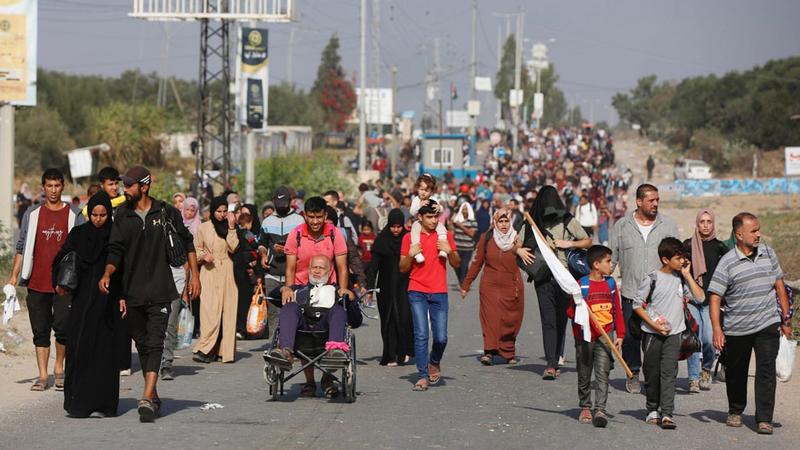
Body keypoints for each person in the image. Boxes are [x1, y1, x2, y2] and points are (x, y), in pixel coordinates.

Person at [99, 166, 200, 423]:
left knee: (156, 341)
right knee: (142, 344)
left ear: (144, 186)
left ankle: (145, 396)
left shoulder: (165, 211)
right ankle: (153, 395)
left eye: (130, 185)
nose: (125, 189)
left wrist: (195, 277)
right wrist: (108, 273)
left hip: (160, 289)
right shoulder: (122, 215)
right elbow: (115, 250)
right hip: (132, 292)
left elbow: (187, 242)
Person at [708, 212, 792, 435]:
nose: (758, 234)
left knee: (766, 371)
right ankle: (735, 410)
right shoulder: (727, 262)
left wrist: (786, 318)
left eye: (758, 229)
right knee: (736, 371)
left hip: (767, 323)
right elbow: (715, 297)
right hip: (737, 327)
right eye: (753, 231)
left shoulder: (768, 253)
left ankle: (764, 418)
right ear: (739, 234)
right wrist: (717, 328)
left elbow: (779, 285)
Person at [8, 169, 85, 391]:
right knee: (40, 330)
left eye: (57, 186)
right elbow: (21, 247)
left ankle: (59, 369)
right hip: (36, 282)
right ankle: (42, 375)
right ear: (43, 187)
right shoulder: (31, 214)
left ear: (63, 187)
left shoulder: (74, 215)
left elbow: (82, 248)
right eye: (49, 186)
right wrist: (14, 275)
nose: (53, 190)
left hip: (64, 284)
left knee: (62, 327)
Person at [53, 192, 120, 418]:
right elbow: (61, 258)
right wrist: (59, 282)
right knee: (80, 348)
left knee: (103, 353)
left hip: (106, 303)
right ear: (88, 213)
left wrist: (122, 297)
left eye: (103, 215)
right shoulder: (78, 234)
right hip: (81, 302)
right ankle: (78, 403)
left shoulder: (114, 236)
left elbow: (123, 266)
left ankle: (103, 404)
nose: (98, 219)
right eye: (94, 214)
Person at [609, 184, 678, 394]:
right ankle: (633, 374)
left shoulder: (668, 225)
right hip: (630, 293)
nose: (655, 204)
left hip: (659, 299)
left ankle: (653, 378)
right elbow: (610, 261)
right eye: (651, 200)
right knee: (631, 338)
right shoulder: (621, 227)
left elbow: (678, 259)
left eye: (657, 200)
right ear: (638, 201)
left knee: (655, 339)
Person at [280, 196, 352, 397]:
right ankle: (299, 369)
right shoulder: (295, 235)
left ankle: (330, 371)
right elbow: (291, 267)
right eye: (310, 217)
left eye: (318, 217)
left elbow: (342, 266)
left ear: (325, 216)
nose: (314, 221)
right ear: (305, 215)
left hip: (328, 290)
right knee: (297, 321)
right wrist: (288, 288)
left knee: (336, 315)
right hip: (302, 289)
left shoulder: (334, 234)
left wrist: (343, 290)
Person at [520, 185, 591, 380]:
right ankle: (551, 363)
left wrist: (569, 243)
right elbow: (516, 244)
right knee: (548, 320)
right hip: (542, 277)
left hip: (565, 278)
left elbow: (587, 241)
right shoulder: (532, 223)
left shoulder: (568, 221)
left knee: (561, 319)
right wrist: (518, 251)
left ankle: (556, 355)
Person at [633, 237, 704, 430]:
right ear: (665, 259)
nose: (682, 261)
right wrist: (655, 326)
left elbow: (700, 297)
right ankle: (652, 410)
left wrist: (688, 275)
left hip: (675, 334)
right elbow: (637, 305)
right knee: (652, 373)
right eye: (678, 258)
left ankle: (667, 414)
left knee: (669, 373)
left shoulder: (681, 279)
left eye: (683, 257)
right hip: (652, 334)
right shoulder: (652, 278)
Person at [399, 199, 461, 391]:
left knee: (441, 337)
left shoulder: (445, 236)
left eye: (436, 216)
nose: (434, 220)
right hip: (417, 290)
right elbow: (402, 268)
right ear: (420, 217)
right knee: (421, 334)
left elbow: (457, 264)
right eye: (429, 217)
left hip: (439, 291)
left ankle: (434, 360)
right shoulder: (409, 238)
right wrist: (410, 255)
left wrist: (450, 252)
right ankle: (423, 375)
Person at [269, 255, 351, 398]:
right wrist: (284, 289)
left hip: (326, 334)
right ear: (308, 270)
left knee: (338, 309)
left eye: (321, 268)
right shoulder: (298, 289)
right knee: (289, 307)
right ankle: (285, 352)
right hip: (301, 335)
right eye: (314, 267)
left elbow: (355, 320)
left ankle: (335, 355)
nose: (317, 271)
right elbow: (272, 295)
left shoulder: (337, 291)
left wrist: (350, 299)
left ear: (330, 271)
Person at [567, 245, 625, 428]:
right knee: (584, 372)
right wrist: (579, 308)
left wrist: (620, 334)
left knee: (603, 372)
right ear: (596, 264)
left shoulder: (610, 284)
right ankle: (585, 406)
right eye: (608, 261)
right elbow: (570, 311)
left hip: (606, 334)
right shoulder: (581, 285)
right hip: (585, 338)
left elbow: (617, 309)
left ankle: (600, 408)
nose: (611, 265)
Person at [460, 209, 524, 365]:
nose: (503, 225)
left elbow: (529, 259)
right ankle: (489, 351)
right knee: (490, 318)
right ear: (495, 222)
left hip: (512, 285)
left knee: (511, 319)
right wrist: (466, 284)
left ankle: (508, 352)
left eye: (506, 221)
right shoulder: (487, 238)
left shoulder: (518, 240)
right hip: (490, 285)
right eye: (500, 221)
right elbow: (477, 263)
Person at [682, 209, 728, 393]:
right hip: (691, 299)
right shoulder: (687, 245)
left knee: (709, 339)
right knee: (695, 338)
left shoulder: (720, 247)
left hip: (712, 301)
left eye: (709, 221)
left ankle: (706, 368)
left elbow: (728, 272)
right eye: (702, 221)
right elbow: (679, 270)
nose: (706, 225)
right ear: (697, 223)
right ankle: (693, 377)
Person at [193, 197, 240, 363]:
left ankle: (223, 351)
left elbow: (233, 247)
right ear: (212, 212)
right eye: (218, 211)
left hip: (228, 271)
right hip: (209, 272)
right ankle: (205, 348)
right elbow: (195, 249)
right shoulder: (203, 228)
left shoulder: (230, 227)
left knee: (228, 312)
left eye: (224, 211)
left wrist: (232, 227)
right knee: (209, 312)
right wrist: (203, 256)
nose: (221, 215)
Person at [367, 209, 414, 366]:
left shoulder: (409, 240)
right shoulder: (381, 241)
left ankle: (404, 351)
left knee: (405, 317)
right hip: (385, 288)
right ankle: (390, 355)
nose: (395, 230)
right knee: (388, 320)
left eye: (399, 226)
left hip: (405, 286)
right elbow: (373, 267)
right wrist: (369, 287)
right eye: (393, 226)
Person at [258, 186, 305, 331]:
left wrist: (287, 250)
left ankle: (289, 343)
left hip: (293, 274)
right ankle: (274, 344)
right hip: (272, 273)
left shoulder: (299, 220)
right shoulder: (267, 221)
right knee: (273, 312)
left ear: (290, 201)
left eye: (284, 203)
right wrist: (263, 254)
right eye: (278, 204)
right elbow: (262, 243)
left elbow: (304, 245)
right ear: (273, 202)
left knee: (291, 310)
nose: (281, 207)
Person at [233, 203, 262, 339]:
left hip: (238, 269)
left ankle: (239, 328)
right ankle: (244, 328)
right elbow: (255, 245)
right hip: (246, 270)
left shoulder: (236, 234)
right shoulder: (248, 234)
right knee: (245, 301)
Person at [409, 174, 449, 263]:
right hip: (418, 222)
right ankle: (417, 253)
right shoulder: (416, 200)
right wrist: (419, 206)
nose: (423, 192)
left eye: (426, 190)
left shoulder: (433, 199)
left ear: (431, 191)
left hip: (432, 222)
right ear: (417, 189)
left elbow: (440, 210)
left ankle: (443, 248)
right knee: (414, 232)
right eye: (421, 189)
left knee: (442, 228)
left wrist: (439, 208)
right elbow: (411, 212)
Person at [451, 201, 477, 284]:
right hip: (457, 247)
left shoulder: (473, 221)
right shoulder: (457, 220)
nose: (464, 211)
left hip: (467, 248)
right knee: (456, 265)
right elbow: (450, 228)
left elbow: (472, 233)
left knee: (464, 266)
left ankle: (463, 282)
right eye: (463, 209)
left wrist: (461, 226)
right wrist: (453, 216)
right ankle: (461, 279)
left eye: (466, 209)